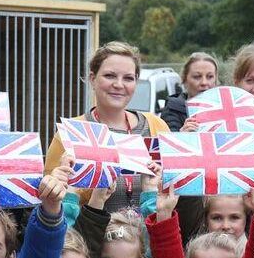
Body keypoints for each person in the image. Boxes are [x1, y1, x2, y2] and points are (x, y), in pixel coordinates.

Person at [45, 42, 170, 214]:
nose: (119, 84)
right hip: (90, 238)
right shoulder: (70, 132)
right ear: (92, 79)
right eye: (110, 75)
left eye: (128, 78)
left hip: (148, 237)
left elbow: (173, 191)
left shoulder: (157, 126)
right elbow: (50, 200)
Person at [159, 52, 219, 131]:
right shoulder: (172, 109)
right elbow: (166, 141)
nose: (204, 82)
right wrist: (182, 135)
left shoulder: (226, 107)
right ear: (185, 79)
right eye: (197, 77)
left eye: (210, 77)